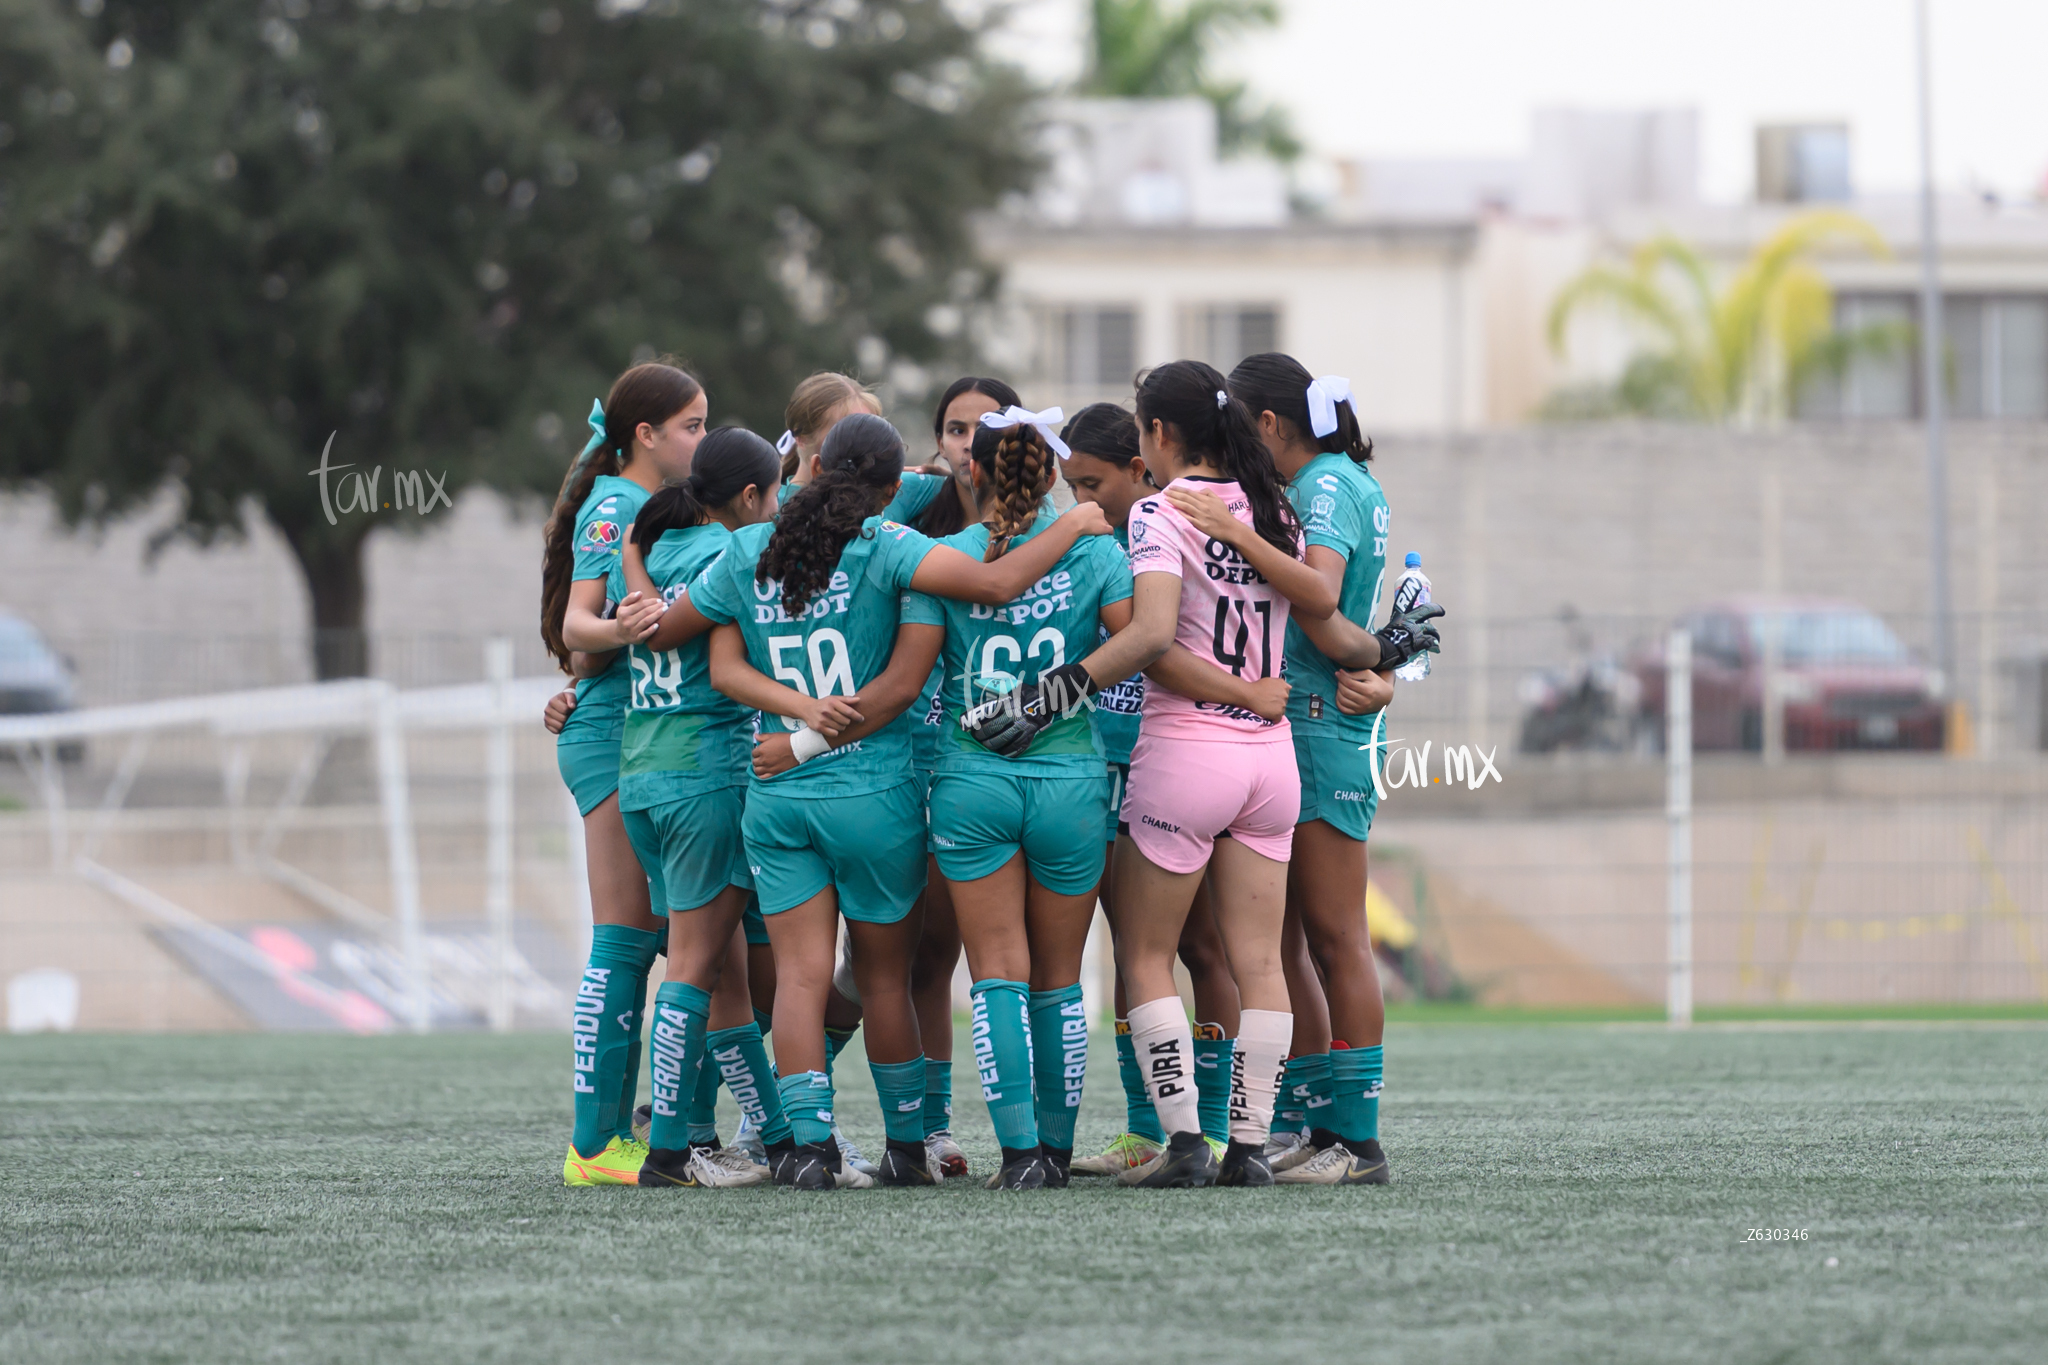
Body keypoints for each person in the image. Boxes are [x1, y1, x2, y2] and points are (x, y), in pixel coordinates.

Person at [654, 413, 1114, 1189]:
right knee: (883, 977)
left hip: (779, 790)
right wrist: (1072, 521)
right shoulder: (888, 546)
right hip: (876, 794)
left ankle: (806, 1148)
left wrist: (795, 718)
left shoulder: (745, 549)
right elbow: (990, 592)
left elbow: (703, 652)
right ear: (895, 488)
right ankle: (907, 1144)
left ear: (811, 463)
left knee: (801, 977)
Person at [1097, 360, 1441, 1189]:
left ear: (1162, 435)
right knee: (1267, 959)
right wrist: (1393, 649)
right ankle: (1253, 1143)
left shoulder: (1169, 506)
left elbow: (1152, 639)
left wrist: (1067, 684)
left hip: (1196, 749)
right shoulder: (1283, 503)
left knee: (1148, 954)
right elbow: (1326, 616)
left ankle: (1191, 1140)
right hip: (1274, 757)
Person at [905, 406, 1156, 1188]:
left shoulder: (943, 556)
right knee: (1058, 979)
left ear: (970, 471)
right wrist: (1065, 687)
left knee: (996, 979)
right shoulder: (1096, 552)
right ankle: (1053, 1147)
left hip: (970, 780)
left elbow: (909, 677)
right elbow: (1137, 642)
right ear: (1052, 473)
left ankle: (1018, 1159)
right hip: (1072, 784)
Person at [1053, 404, 1244, 1179]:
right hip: (1098, 770)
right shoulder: (1088, 546)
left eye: (1093, 484)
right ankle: (1148, 1124)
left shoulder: (1180, 529)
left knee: (1201, 947)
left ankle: (1220, 1125)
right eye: (1071, 488)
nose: (1082, 504)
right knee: (1134, 951)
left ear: (1142, 467)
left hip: (1182, 764)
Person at [606, 427, 798, 1189]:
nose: (781, 505)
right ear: (749, 498)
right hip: (706, 778)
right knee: (694, 966)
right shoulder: (733, 555)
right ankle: (671, 1151)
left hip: (642, 778)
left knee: (723, 980)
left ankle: (778, 1141)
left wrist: (630, 554)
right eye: (777, 491)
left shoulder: (657, 553)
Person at [1225, 355, 1398, 1185]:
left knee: (1334, 935)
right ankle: (1316, 1124)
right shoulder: (1331, 480)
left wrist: (1234, 534)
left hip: (1325, 729)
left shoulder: (1327, 485)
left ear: (1267, 424)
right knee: (1286, 941)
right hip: (1299, 726)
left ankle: (1358, 1142)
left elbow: (1323, 602)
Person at [541, 360, 705, 1186]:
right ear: (645, 435)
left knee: (663, 940)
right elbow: (578, 625)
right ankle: (594, 1145)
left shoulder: (652, 504)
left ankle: (642, 1129)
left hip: (636, 732)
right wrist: (625, 624)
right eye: (692, 426)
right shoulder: (616, 503)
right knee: (627, 939)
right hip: (610, 736)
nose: (701, 440)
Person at [900, 375, 1020, 1179]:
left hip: (1012, 772)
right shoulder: (909, 516)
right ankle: (755, 1109)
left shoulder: (1056, 524)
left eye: (983, 429)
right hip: (905, 764)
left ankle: (952, 1129)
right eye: (953, 430)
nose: (967, 444)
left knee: (973, 959)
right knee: (895, 961)